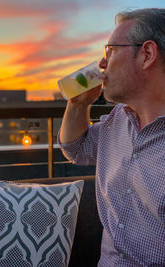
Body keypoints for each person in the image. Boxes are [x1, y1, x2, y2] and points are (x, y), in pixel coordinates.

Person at [58, 8, 165, 266]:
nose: (102, 64)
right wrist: (77, 104)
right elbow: (75, 148)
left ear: (147, 54)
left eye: (111, 50)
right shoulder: (118, 120)